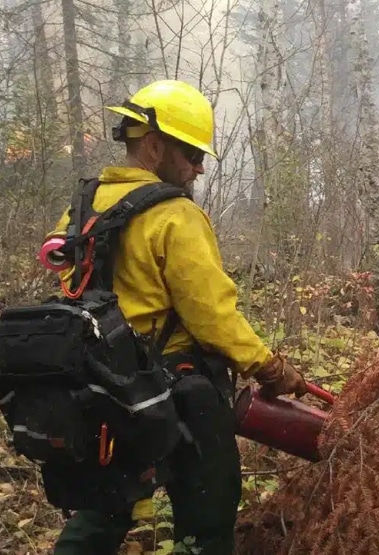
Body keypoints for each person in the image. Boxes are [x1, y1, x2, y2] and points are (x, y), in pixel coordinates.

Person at [45, 79, 308, 555]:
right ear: (153, 146)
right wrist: (268, 367)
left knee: (103, 511)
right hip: (179, 394)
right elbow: (212, 315)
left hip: (105, 391)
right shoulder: (174, 215)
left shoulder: (83, 208)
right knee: (208, 522)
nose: (199, 167)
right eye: (192, 154)